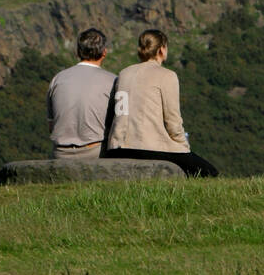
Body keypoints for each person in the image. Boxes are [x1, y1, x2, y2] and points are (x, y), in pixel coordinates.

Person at [102, 29, 218, 177]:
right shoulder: (167, 76)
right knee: (209, 172)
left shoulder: (124, 73)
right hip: (149, 147)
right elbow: (173, 122)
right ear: (162, 49)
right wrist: (184, 146)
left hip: (117, 147)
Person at [46, 28, 116, 159]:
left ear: (78, 52)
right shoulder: (113, 81)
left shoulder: (57, 79)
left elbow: (51, 126)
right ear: (104, 52)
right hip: (96, 152)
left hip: (60, 153)